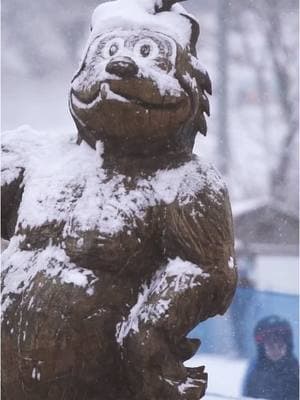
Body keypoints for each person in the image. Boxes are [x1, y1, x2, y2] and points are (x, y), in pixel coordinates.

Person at [243, 315, 299, 399]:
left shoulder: (295, 369)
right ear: (263, 348)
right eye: (270, 346)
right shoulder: (255, 370)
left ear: (287, 346)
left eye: (280, 345)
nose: (276, 350)